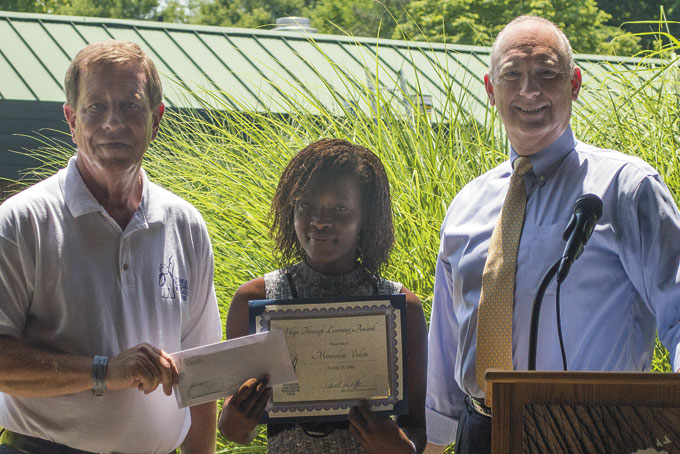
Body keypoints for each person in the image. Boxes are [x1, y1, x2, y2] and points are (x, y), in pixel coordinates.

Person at [425, 15, 680, 454]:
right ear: (490, 88)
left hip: (594, 431)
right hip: (479, 432)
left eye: (547, 74)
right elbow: (446, 343)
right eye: (512, 76)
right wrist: (431, 441)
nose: (530, 92)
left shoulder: (626, 186)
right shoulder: (467, 204)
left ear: (575, 83)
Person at [0, 40, 222, 454]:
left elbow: (200, 378)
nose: (113, 123)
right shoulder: (21, 222)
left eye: (131, 106)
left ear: (156, 119)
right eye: (95, 107)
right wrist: (104, 371)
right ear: (71, 119)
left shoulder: (185, 225)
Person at [217, 138, 428, 453]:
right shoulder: (255, 300)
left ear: (366, 218)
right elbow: (234, 431)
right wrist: (236, 420)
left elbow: (416, 428)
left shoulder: (401, 308)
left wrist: (401, 446)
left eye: (339, 209)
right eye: (306, 206)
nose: (319, 220)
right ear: (292, 209)